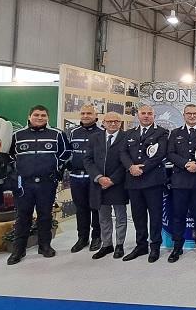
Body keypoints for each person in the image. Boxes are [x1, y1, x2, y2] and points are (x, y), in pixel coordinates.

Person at [7, 105, 71, 265]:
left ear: (48, 118)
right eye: (36, 115)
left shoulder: (57, 134)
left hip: (47, 182)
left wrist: (55, 168)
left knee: (45, 215)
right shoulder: (17, 135)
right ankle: (18, 250)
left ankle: (45, 246)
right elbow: (9, 156)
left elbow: (66, 153)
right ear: (29, 116)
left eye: (43, 115)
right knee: (22, 217)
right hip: (23, 184)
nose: (40, 118)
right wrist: (18, 171)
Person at [166, 103, 196, 263]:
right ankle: (177, 247)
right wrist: (186, 164)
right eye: (189, 113)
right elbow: (170, 153)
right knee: (178, 215)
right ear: (184, 115)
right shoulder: (175, 133)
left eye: (195, 113)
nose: (192, 116)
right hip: (180, 181)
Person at [119, 105, 168, 263]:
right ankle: (141, 245)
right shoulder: (129, 133)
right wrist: (130, 167)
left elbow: (160, 154)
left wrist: (142, 168)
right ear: (138, 115)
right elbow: (123, 152)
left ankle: (155, 246)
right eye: (143, 113)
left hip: (153, 180)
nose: (146, 116)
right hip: (133, 181)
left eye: (149, 113)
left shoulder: (162, 132)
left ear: (154, 116)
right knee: (138, 215)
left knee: (155, 215)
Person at [84, 112, 128, 259]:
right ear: (103, 123)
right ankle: (107, 244)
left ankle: (120, 245)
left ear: (120, 123)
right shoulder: (94, 138)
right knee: (103, 217)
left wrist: (112, 180)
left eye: (116, 121)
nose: (113, 124)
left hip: (118, 184)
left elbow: (127, 161)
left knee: (121, 217)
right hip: (99, 184)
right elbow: (88, 160)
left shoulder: (126, 137)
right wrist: (99, 178)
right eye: (109, 121)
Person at [67, 104, 103, 253]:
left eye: (89, 113)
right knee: (81, 209)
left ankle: (97, 237)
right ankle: (82, 238)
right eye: (83, 113)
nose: (86, 116)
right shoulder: (73, 133)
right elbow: (67, 153)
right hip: (76, 177)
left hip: (94, 178)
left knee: (96, 208)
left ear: (96, 116)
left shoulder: (102, 133)